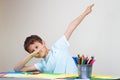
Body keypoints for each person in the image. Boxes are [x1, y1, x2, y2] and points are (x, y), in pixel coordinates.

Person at [14, 4, 94, 74]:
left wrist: (85, 13)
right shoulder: (42, 65)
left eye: (37, 47)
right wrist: (31, 55)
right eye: (33, 51)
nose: (36, 51)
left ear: (43, 43)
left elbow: (71, 27)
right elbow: (17, 69)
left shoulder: (58, 46)